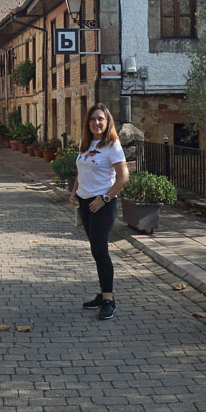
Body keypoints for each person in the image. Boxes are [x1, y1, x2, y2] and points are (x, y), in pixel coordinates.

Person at [69, 103, 129, 320]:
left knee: (100, 250)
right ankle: (103, 292)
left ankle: (109, 299)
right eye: (93, 119)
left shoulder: (112, 145)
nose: (96, 123)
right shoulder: (85, 144)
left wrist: (104, 198)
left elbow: (123, 177)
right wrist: (74, 192)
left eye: (100, 119)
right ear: (88, 123)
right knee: (96, 250)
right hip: (85, 203)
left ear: (107, 121)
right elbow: (80, 171)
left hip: (102, 204)